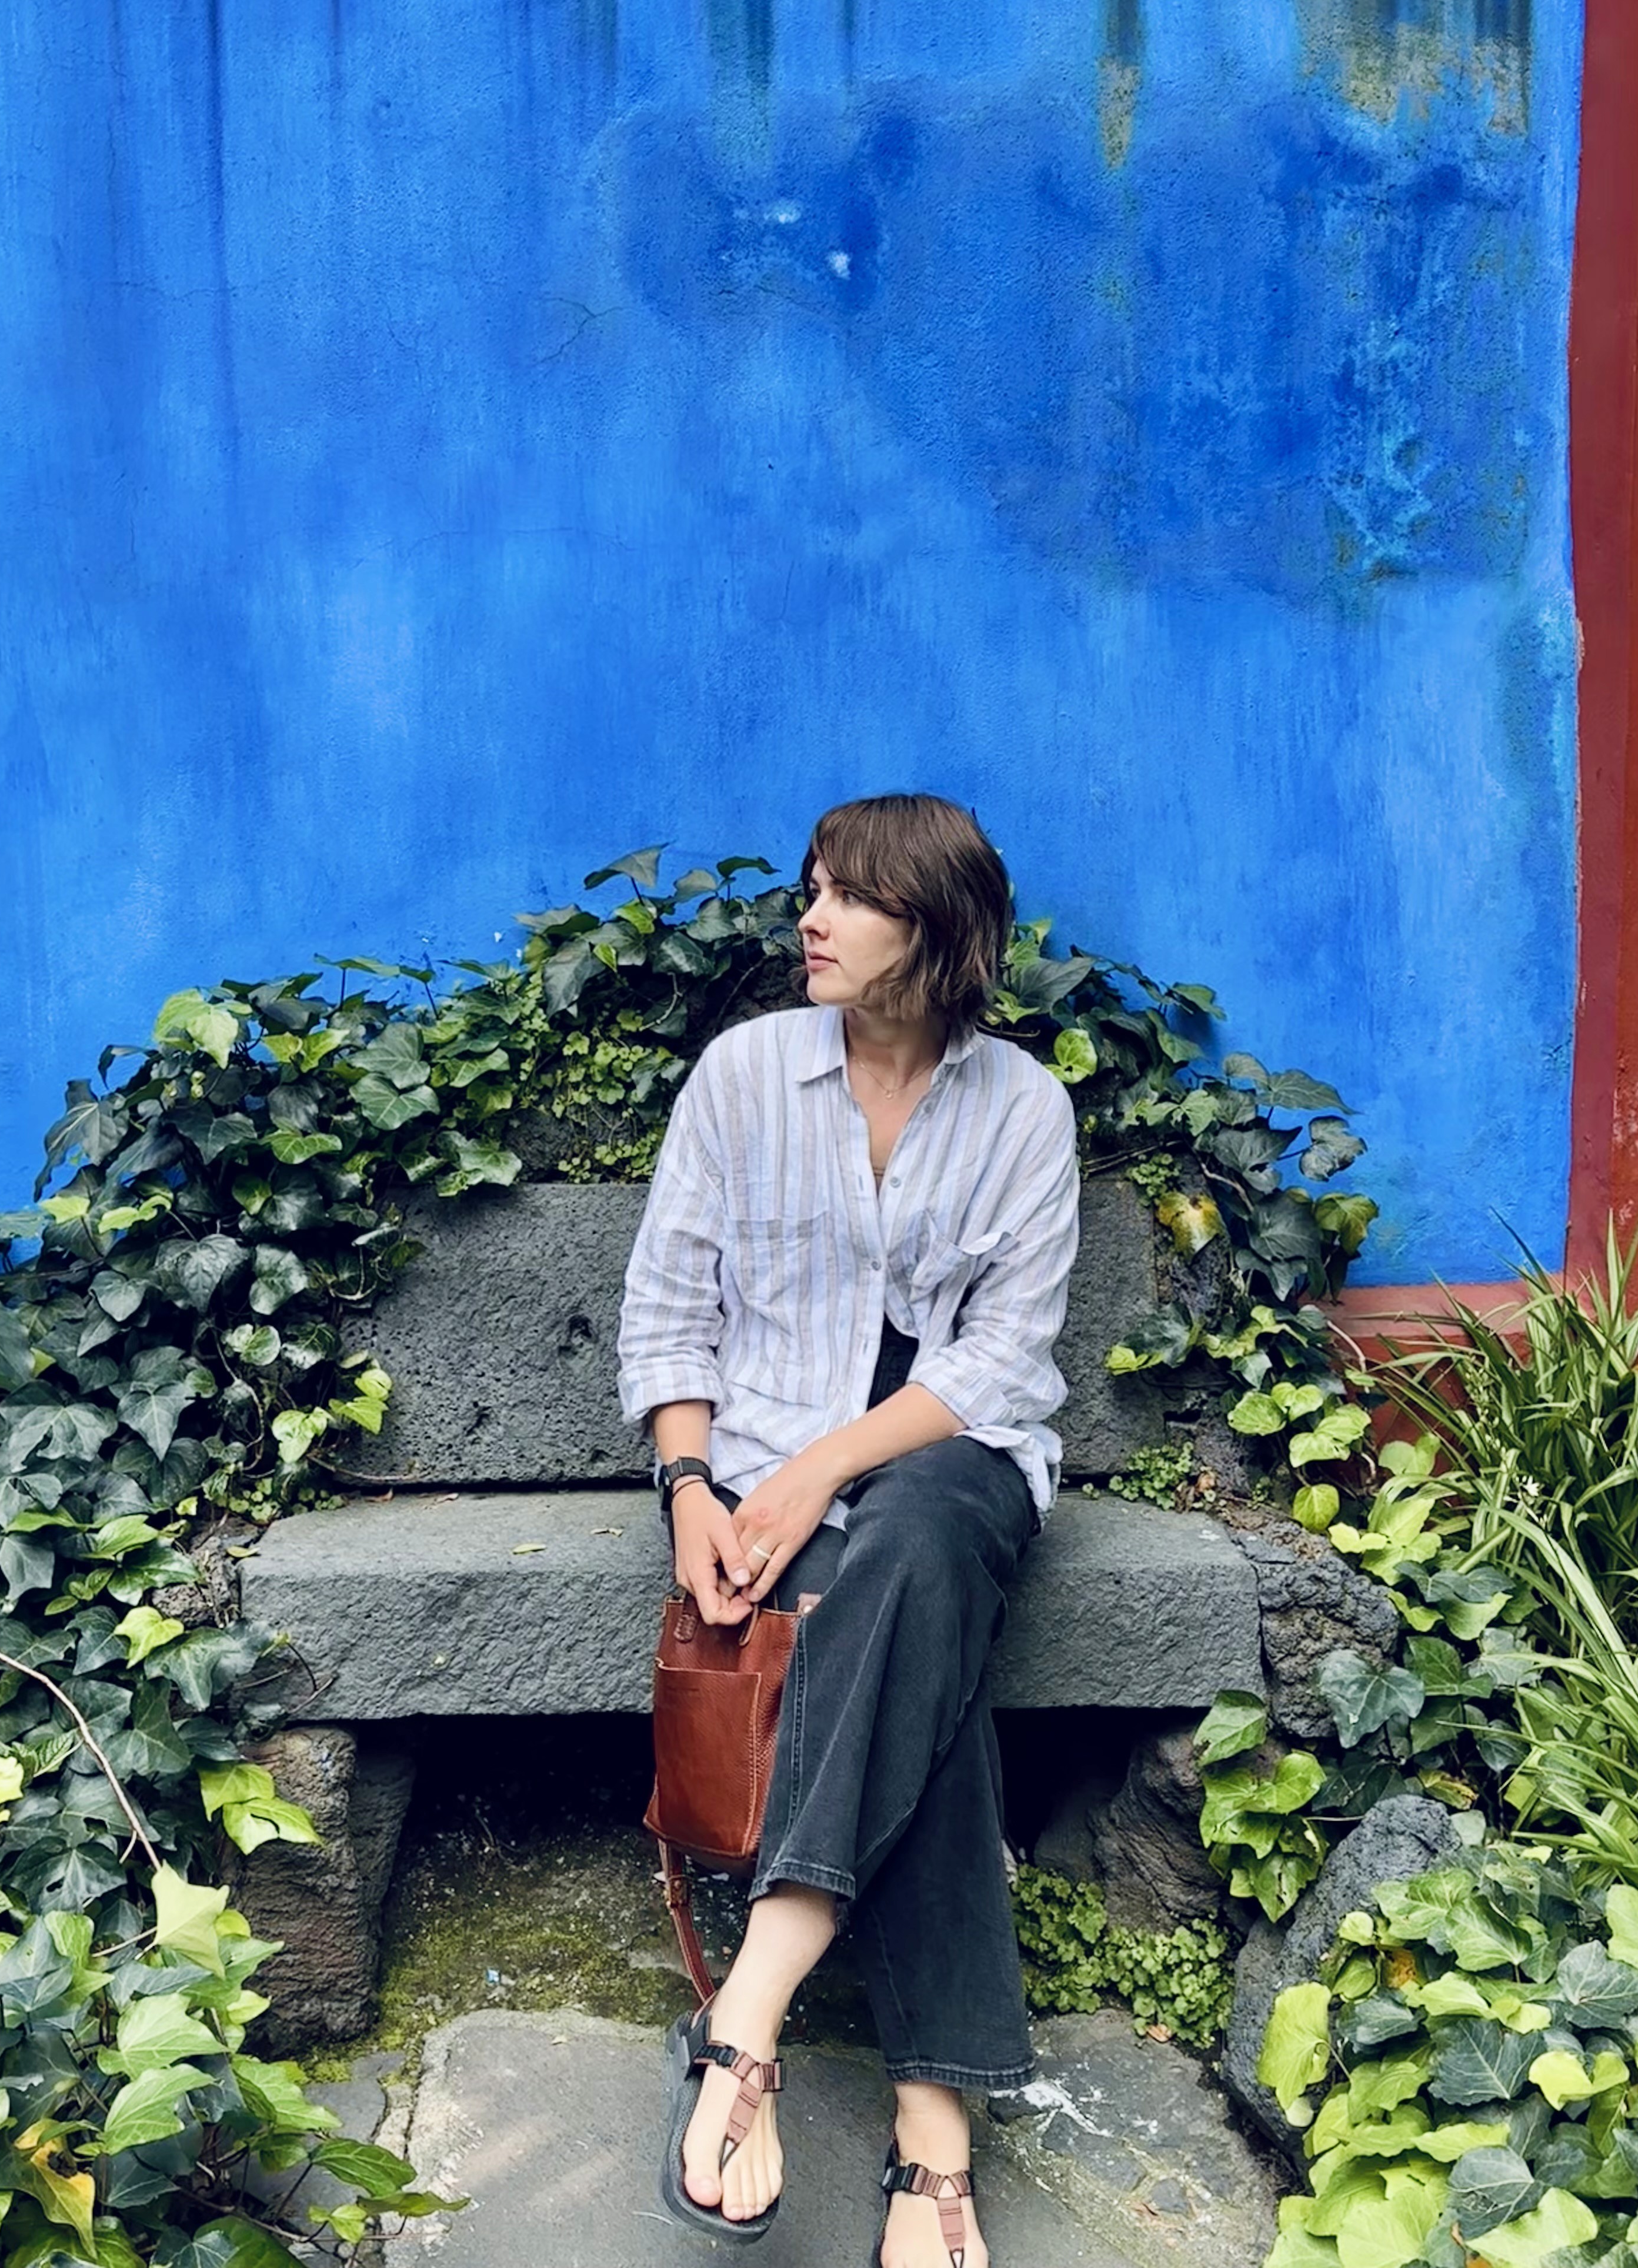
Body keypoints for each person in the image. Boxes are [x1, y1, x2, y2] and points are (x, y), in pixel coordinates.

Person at [618, 792, 1081, 2268]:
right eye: (810, 889)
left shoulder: (1022, 1109)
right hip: (753, 1471)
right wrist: (692, 1488)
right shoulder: (745, 1075)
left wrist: (832, 1464)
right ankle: (934, 2135)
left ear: (935, 933)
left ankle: (744, 2014)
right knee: (908, 1638)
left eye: (847, 898)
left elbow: (1002, 1362)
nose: (809, 918)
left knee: (917, 1542)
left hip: (951, 1461)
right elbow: (668, 1313)